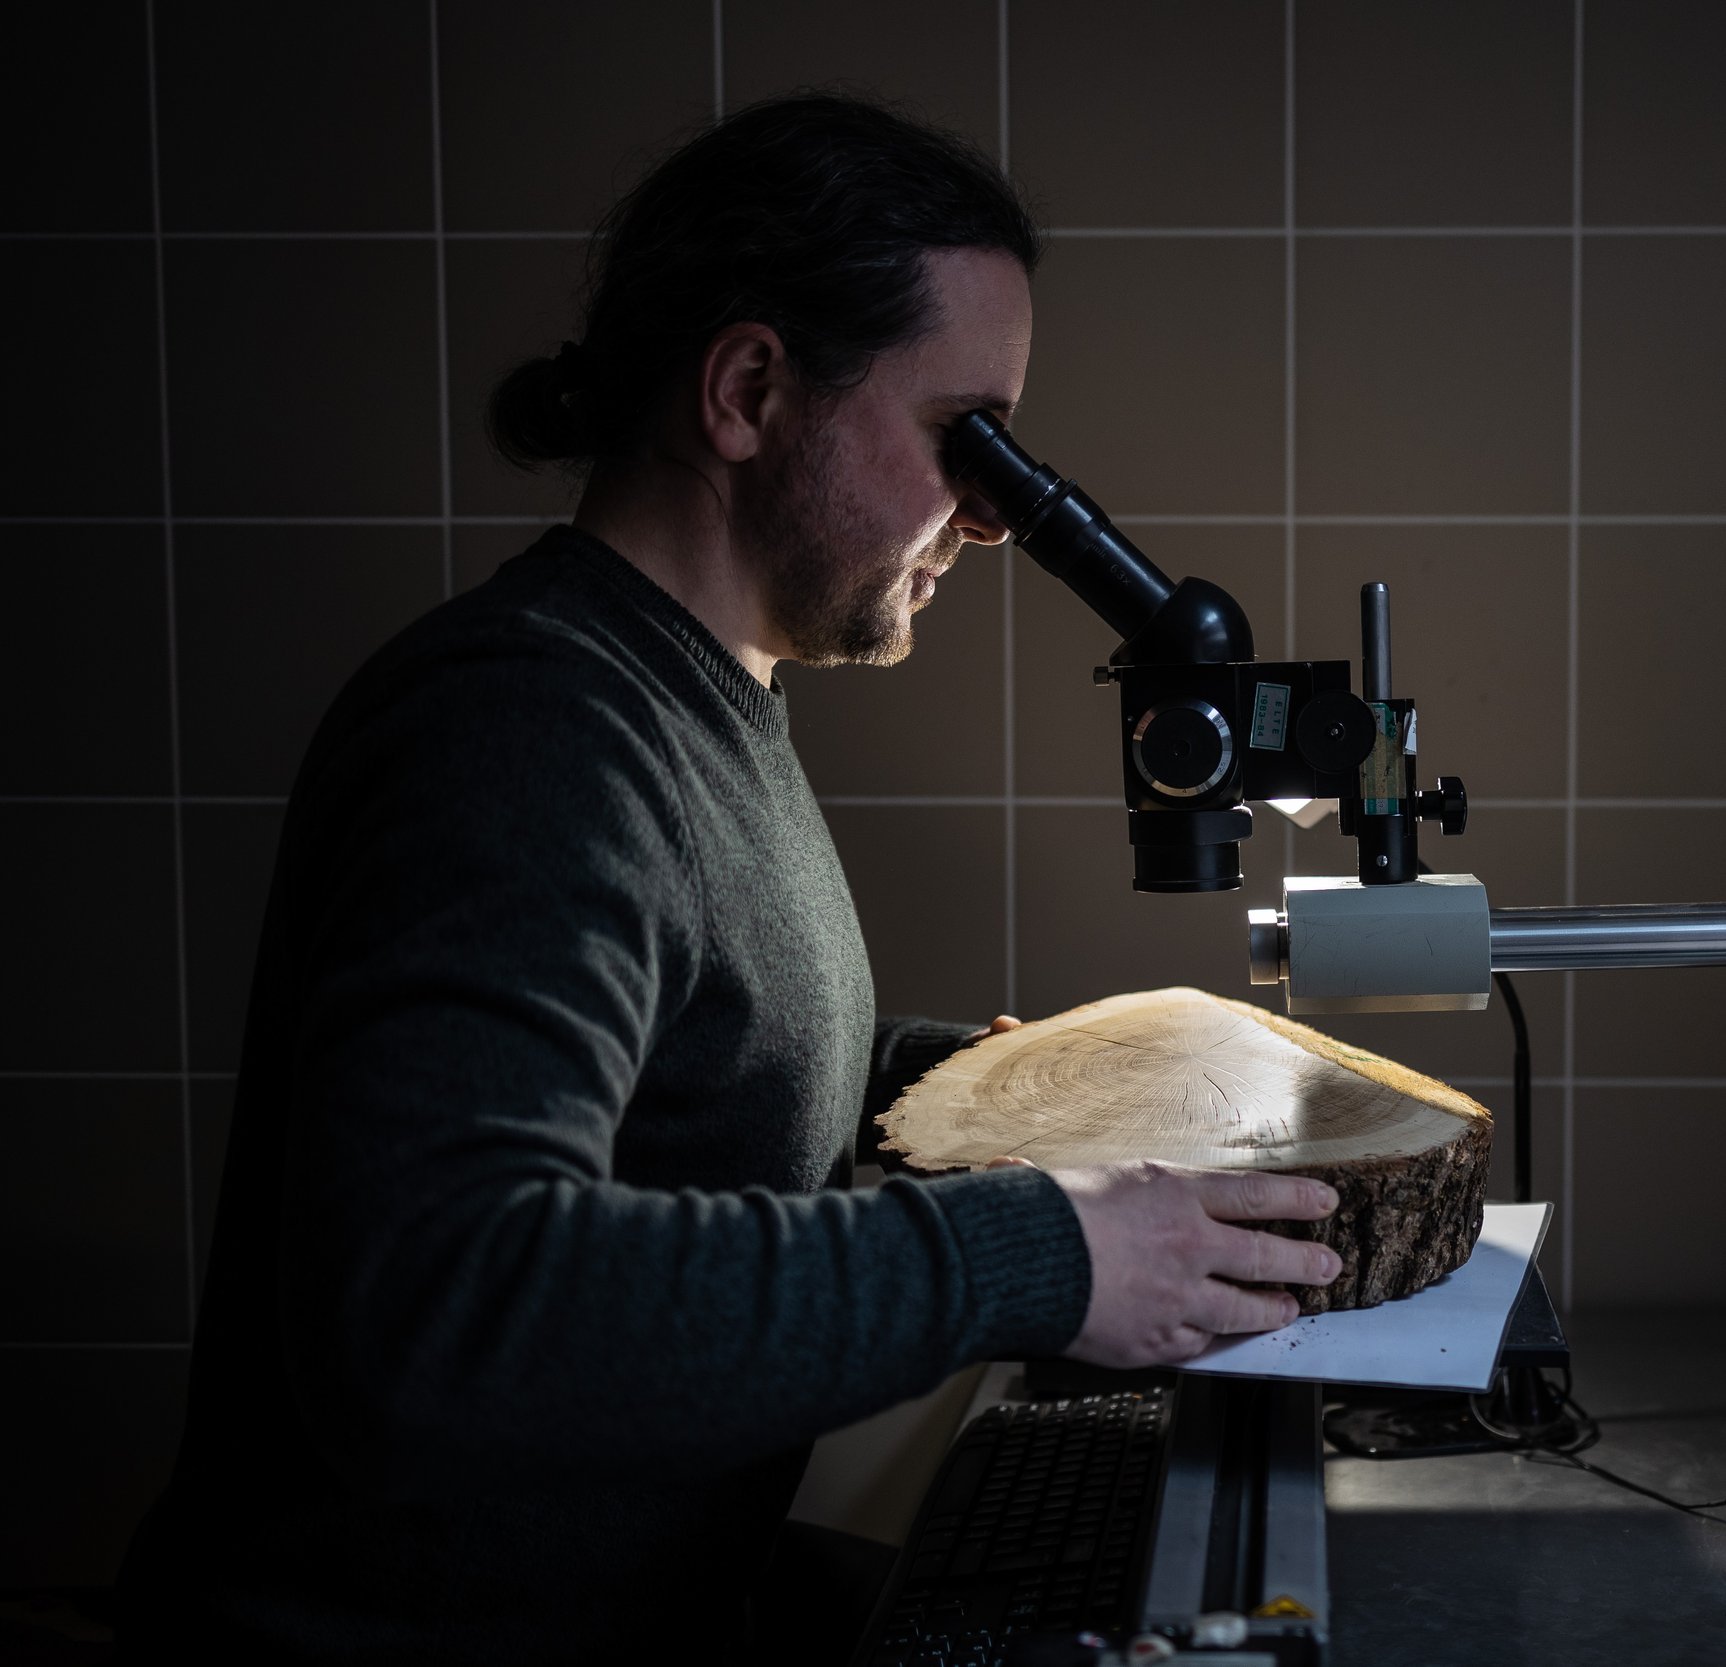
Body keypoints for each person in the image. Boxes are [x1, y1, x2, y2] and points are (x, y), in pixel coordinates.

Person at [115, 94, 1341, 1661]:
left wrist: (993, 1086)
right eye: (964, 437)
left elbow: (688, 1086)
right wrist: (1041, 1254)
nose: (983, 515)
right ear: (751, 389)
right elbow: (447, 1297)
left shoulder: (694, 703)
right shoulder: (527, 728)